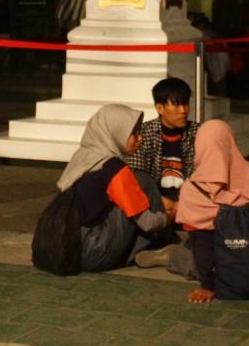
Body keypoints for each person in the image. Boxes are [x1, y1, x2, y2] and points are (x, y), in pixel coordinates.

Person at [171, 119, 249, 303]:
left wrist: (207, 285)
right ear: (231, 142)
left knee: (184, 253)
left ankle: (171, 258)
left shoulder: (192, 191)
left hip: (224, 275)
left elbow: (202, 245)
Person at [56, 104, 173, 272]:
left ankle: (150, 247)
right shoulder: (114, 168)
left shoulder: (82, 157)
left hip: (66, 247)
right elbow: (147, 223)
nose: (140, 138)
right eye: (133, 133)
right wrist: (168, 217)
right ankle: (161, 243)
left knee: (128, 196)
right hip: (94, 252)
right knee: (142, 181)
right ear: (116, 133)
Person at [125, 77, 197, 201]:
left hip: (190, 202)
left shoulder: (198, 133)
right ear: (160, 108)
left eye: (185, 103)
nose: (183, 110)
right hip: (154, 202)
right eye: (176, 104)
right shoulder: (143, 133)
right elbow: (139, 178)